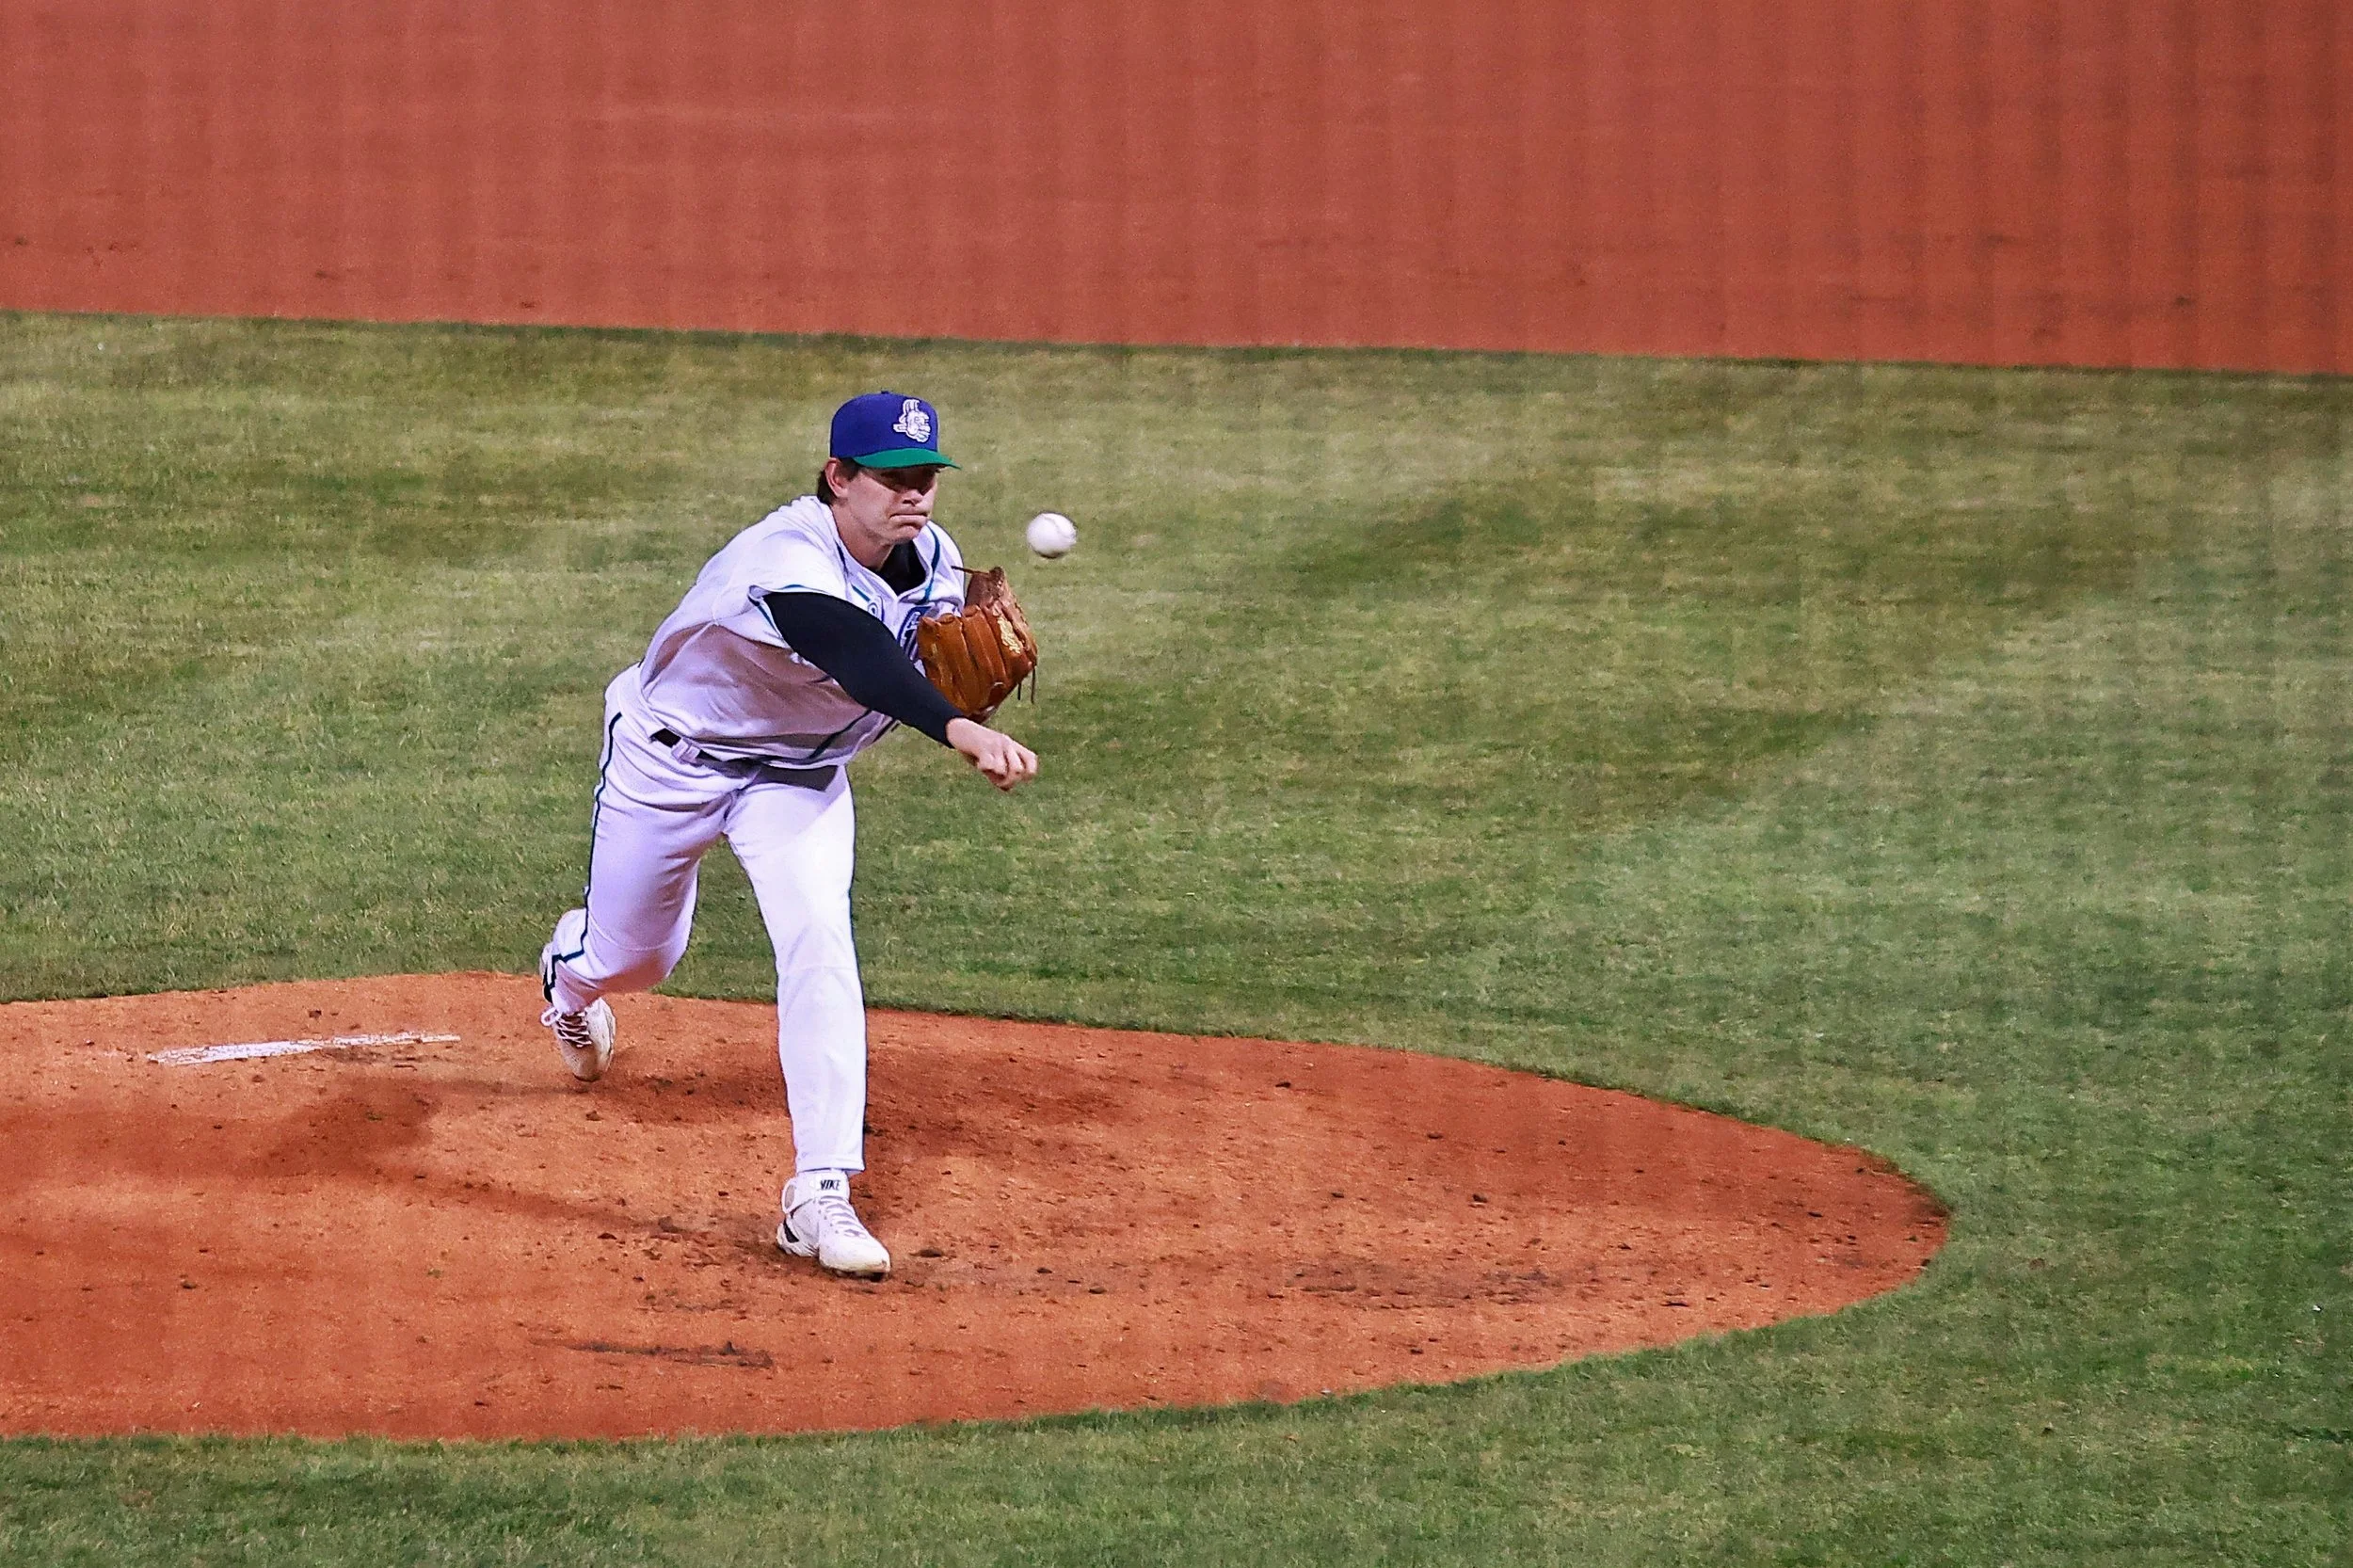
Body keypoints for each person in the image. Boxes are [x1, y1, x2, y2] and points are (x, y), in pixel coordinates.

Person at [537, 392, 1038, 1279]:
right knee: (637, 959)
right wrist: (957, 727)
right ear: (837, 478)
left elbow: (913, 638)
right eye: (889, 478)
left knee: (821, 944)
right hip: (673, 763)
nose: (912, 496)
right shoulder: (782, 558)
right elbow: (850, 646)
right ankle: (569, 980)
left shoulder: (933, 557)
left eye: (924, 478)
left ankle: (820, 1194)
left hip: (796, 784)